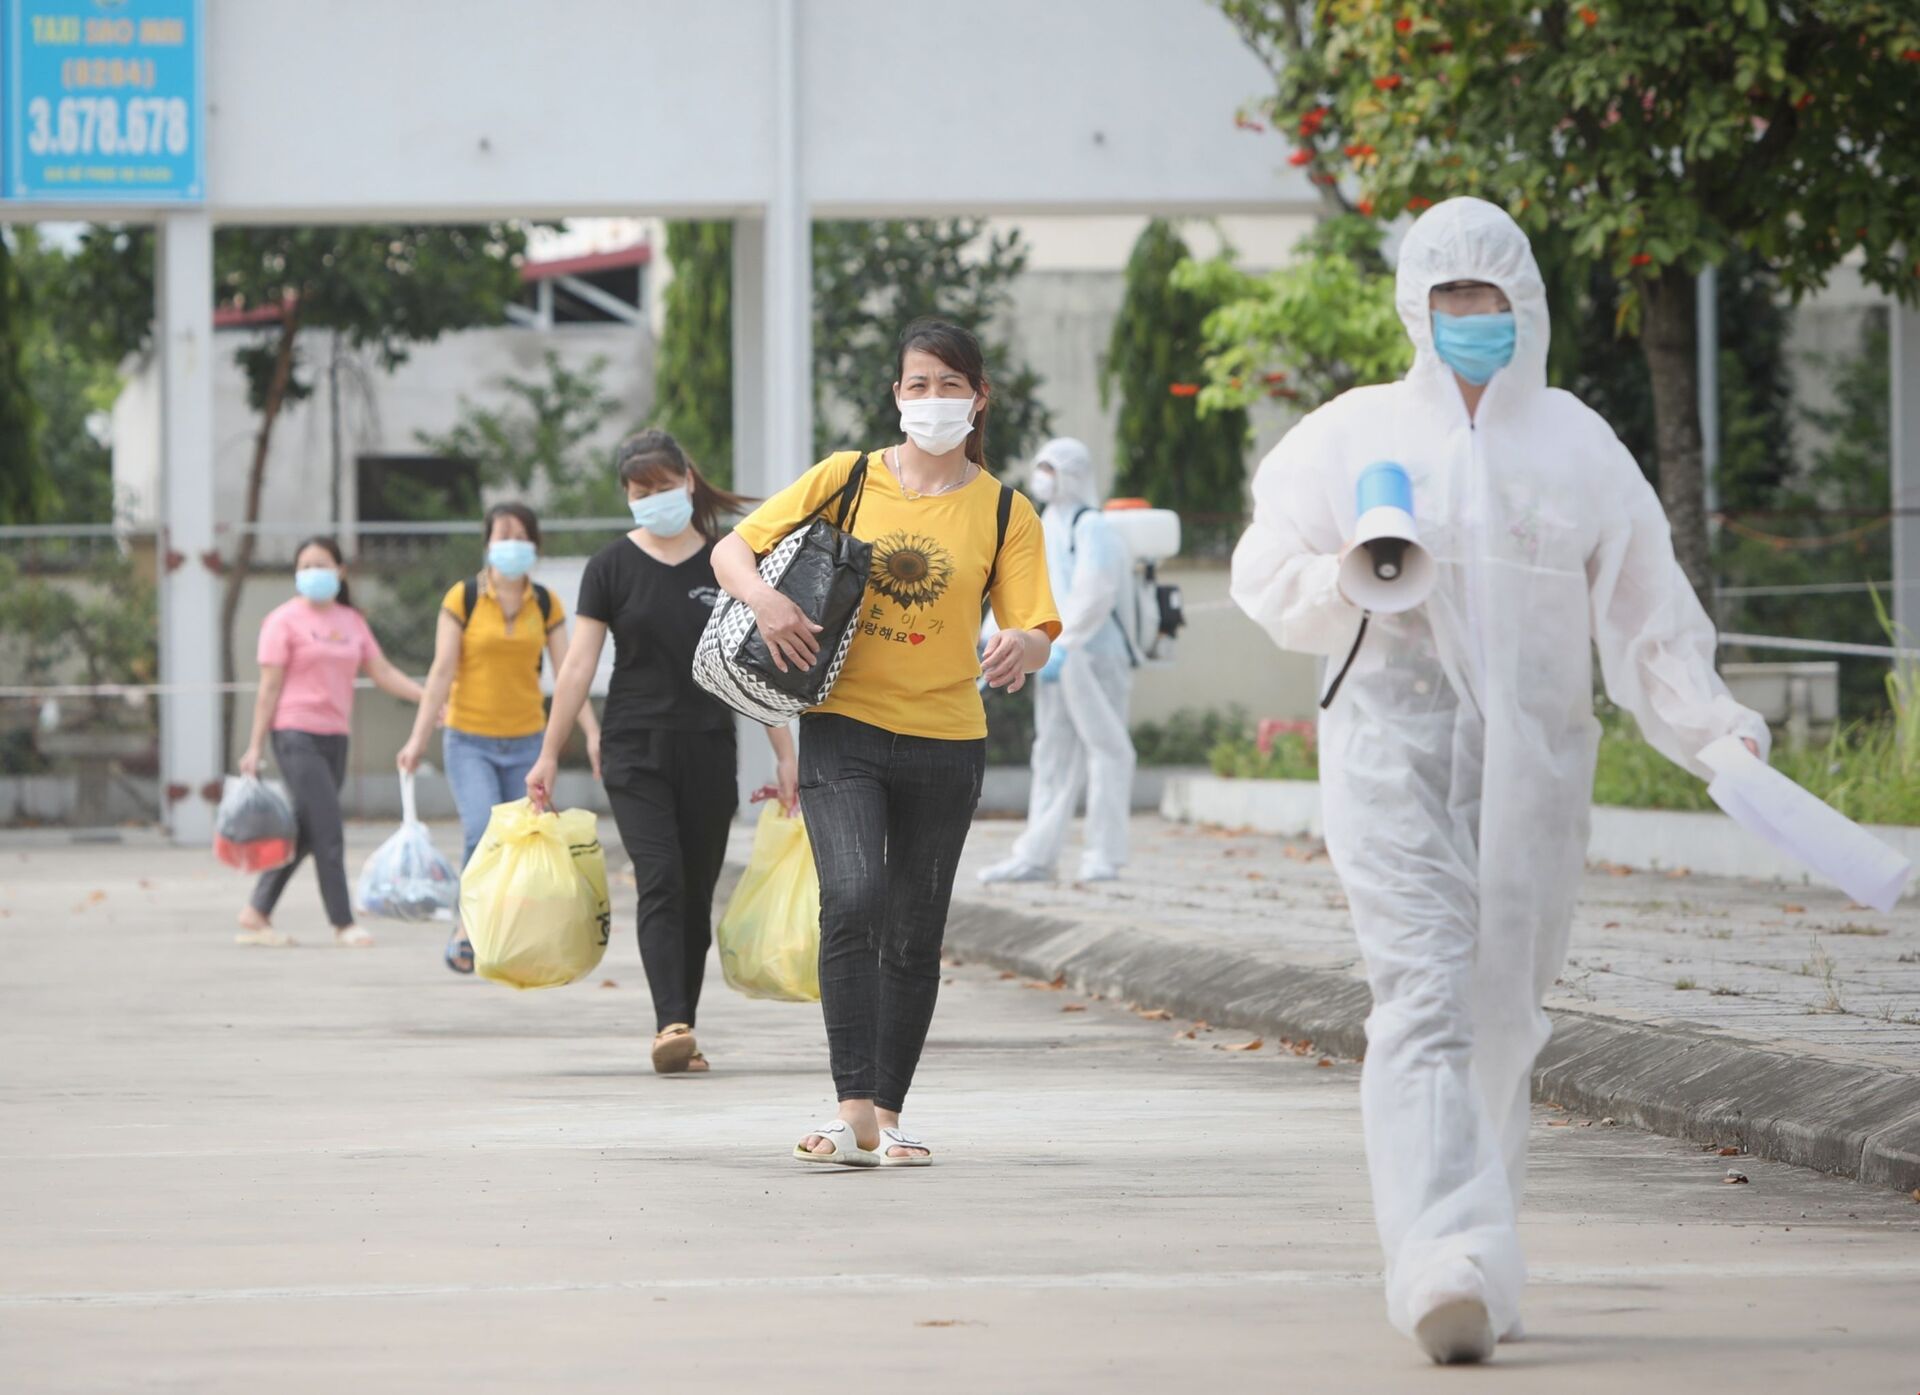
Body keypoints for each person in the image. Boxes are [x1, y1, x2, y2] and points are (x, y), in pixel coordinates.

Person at [1229, 197, 1768, 1365]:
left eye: (1491, 297)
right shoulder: (1348, 433)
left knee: (1503, 1018)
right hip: (1391, 758)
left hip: (1537, 770)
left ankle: (1480, 1255)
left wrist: (1715, 728)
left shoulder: (1577, 446)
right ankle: (1438, 1262)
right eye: (1450, 298)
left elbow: (1647, 620)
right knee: (1421, 994)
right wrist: (1348, 573)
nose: (1472, 318)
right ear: (1415, 308)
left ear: (1525, 304)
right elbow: (1263, 571)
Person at [713, 317, 1060, 1168]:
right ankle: (849, 1107)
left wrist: (1025, 646)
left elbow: (1038, 625)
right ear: (895, 395)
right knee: (855, 898)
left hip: (949, 739)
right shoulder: (849, 479)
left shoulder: (1007, 509)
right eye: (917, 383)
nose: (933, 399)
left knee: (914, 928)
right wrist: (767, 600)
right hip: (844, 726)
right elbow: (733, 546)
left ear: (978, 399)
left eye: (950, 384)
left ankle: (890, 1114)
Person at [527, 430, 796, 1075]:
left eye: (662, 487)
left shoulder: (726, 563)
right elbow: (577, 668)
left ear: (688, 480)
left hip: (706, 746)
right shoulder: (609, 568)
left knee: (697, 890)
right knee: (661, 878)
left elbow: (757, 662)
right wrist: (547, 754)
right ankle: (668, 1022)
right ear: (627, 496)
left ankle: (685, 1027)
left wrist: (786, 753)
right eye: (639, 491)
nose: (653, 500)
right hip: (632, 748)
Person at [397, 502, 601, 973]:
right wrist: (416, 739)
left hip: (528, 741)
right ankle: (467, 928)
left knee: (523, 841)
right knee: (480, 831)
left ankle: (507, 932)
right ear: (487, 542)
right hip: (469, 740)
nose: (511, 544)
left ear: (534, 544)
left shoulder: (545, 603)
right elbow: (441, 670)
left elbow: (570, 672)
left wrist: (591, 732)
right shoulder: (463, 598)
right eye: (502, 535)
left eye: (521, 535)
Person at [235, 537, 425, 948]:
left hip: (335, 738)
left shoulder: (351, 622)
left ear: (340, 571)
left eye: (321, 564)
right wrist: (254, 747)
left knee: (306, 830)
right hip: (294, 734)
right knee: (329, 829)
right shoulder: (282, 621)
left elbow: (383, 672)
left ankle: (258, 909)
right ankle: (343, 922)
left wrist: (428, 698)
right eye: (304, 565)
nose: (312, 572)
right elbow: (268, 689)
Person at [980, 437, 1138, 884]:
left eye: (1050, 468)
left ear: (1071, 474)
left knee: (1107, 750)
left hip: (1092, 654)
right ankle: (1037, 855)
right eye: (1040, 467)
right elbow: (1022, 588)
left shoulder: (1094, 527)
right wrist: (992, 637)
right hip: (1054, 656)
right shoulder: (1045, 523)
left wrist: (1065, 643)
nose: (1041, 477)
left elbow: (1095, 592)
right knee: (1051, 754)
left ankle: (1104, 856)